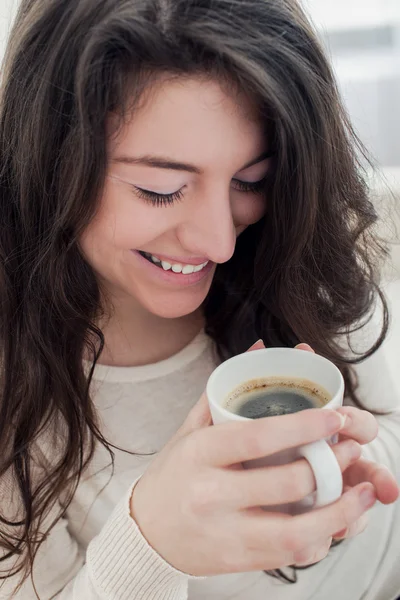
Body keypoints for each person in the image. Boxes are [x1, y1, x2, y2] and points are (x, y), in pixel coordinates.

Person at [0, 0, 399, 598]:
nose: (218, 241)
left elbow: (388, 422)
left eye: (251, 180)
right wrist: (152, 543)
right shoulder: (17, 386)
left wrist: (344, 479)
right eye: (161, 190)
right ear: (48, 161)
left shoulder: (297, 245)